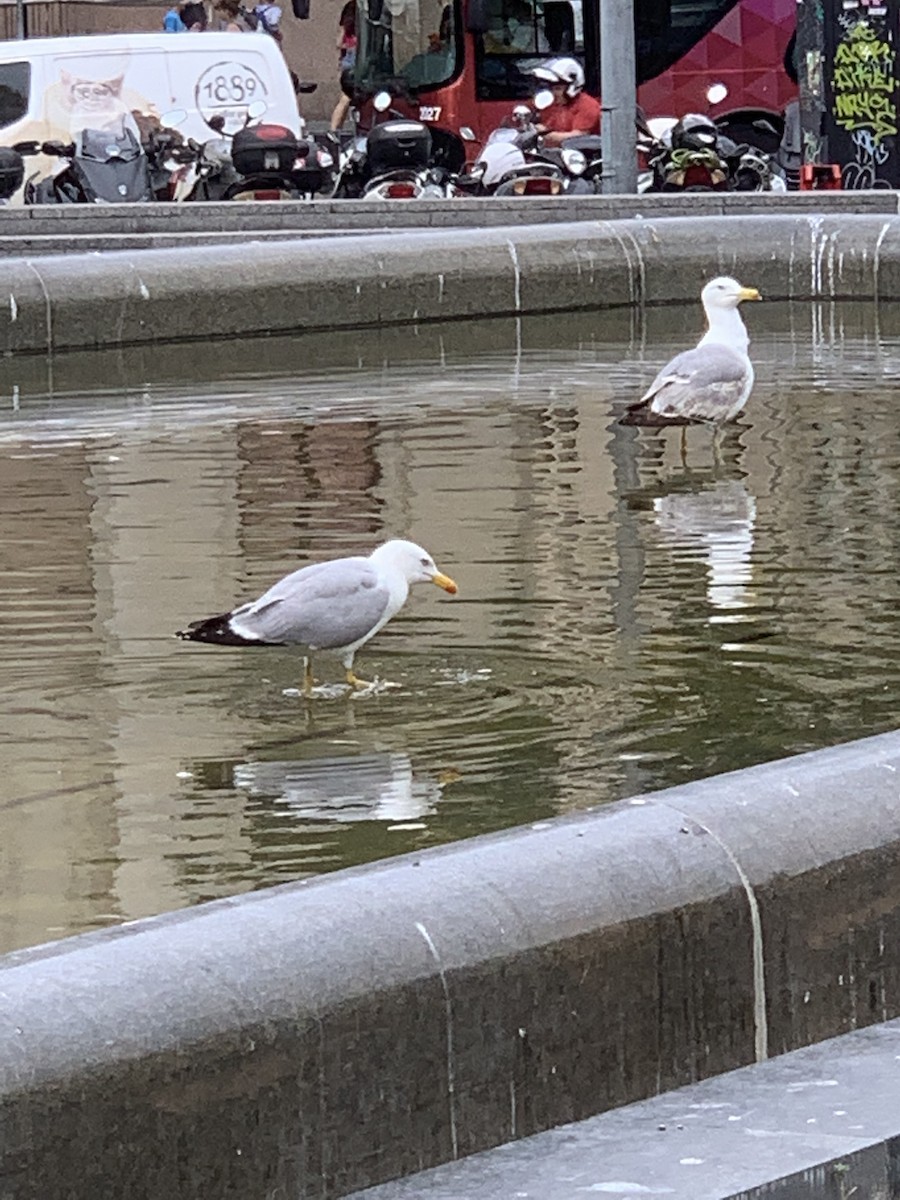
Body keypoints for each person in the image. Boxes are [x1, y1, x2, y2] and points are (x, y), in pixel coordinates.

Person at [533, 56, 600, 147]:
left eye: (558, 89)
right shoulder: (555, 105)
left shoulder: (588, 105)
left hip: (580, 156)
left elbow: (578, 138)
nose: (554, 93)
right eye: (552, 89)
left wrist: (546, 135)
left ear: (572, 87)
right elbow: (548, 126)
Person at [330, 1, 357, 131]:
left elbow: (339, 44)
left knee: (345, 99)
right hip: (353, 61)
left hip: (347, 61)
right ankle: (334, 128)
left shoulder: (348, 28)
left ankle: (336, 128)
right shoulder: (357, 30)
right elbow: (339, 43)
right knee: (345, 98)